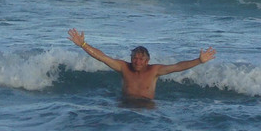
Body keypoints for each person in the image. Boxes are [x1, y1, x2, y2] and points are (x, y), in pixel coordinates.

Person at [67, 28, 216, 100]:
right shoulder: (124, 68)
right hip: (125, 105)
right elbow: (103, 57)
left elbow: (177, 67)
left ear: (147, 61)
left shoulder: (155, 71)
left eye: (141, 59)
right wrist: (83, 44)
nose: (137, 61)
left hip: (147, 108)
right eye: (135, 58)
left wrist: (199, 61)